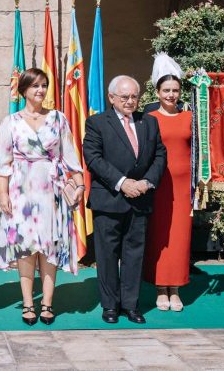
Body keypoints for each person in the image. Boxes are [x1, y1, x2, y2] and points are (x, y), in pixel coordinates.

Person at [0, 68, 84, 326]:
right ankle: (27, 303)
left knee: (49, 247)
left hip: (52, 190)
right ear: (23, 90)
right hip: (20, 190)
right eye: (35, 86)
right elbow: (2, 163)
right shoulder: (10, 122)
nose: (41, 90)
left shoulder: (58, 118)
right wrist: (2, 195)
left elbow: (71, 156)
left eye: (44, 85)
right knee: (25, 249)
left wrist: (79, 186)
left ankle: (47, 303)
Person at [83, 75, 166, 324]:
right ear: (111, 98)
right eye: (125, 97)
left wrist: (145, 183)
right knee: (107, 255)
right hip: (109, 199)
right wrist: (123, 183)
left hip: (140, 198)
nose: (130, 101)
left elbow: (160, 155)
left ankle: (131, 305)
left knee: (134, 254)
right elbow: (93, 158)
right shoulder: (97, 123)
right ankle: (110, 306)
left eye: (134, 97)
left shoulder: (149, 123)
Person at [143, 59, 192, 312]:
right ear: (157, 93)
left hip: (184, 186)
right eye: (166, 91)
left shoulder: (191, 117)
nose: (171, 95)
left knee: (180, 235)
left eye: (175, 90)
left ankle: (176, 288)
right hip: (159, 184)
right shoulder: (148, 118)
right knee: (159, 234)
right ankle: (161, 287)